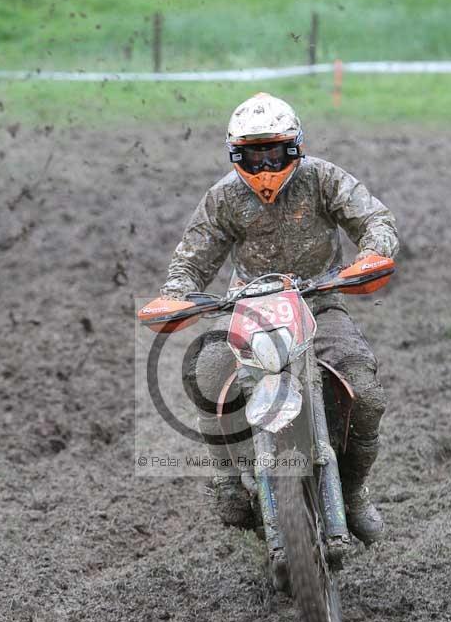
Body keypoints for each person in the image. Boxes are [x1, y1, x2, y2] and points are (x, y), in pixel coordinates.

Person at [160, 93, 399, 545]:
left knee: (364, 393)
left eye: (274, 150)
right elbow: (190, 261)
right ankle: (227, 479)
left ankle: (352, 493)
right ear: (237, 155)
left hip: (321, 302)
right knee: (206, 372)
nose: (265, 164)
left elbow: (374, 217)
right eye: (253, 154)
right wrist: (175, 294)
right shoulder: (224, 197)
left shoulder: (322, 179)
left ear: (295, 147)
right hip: (247, 307)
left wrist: (373, 252)